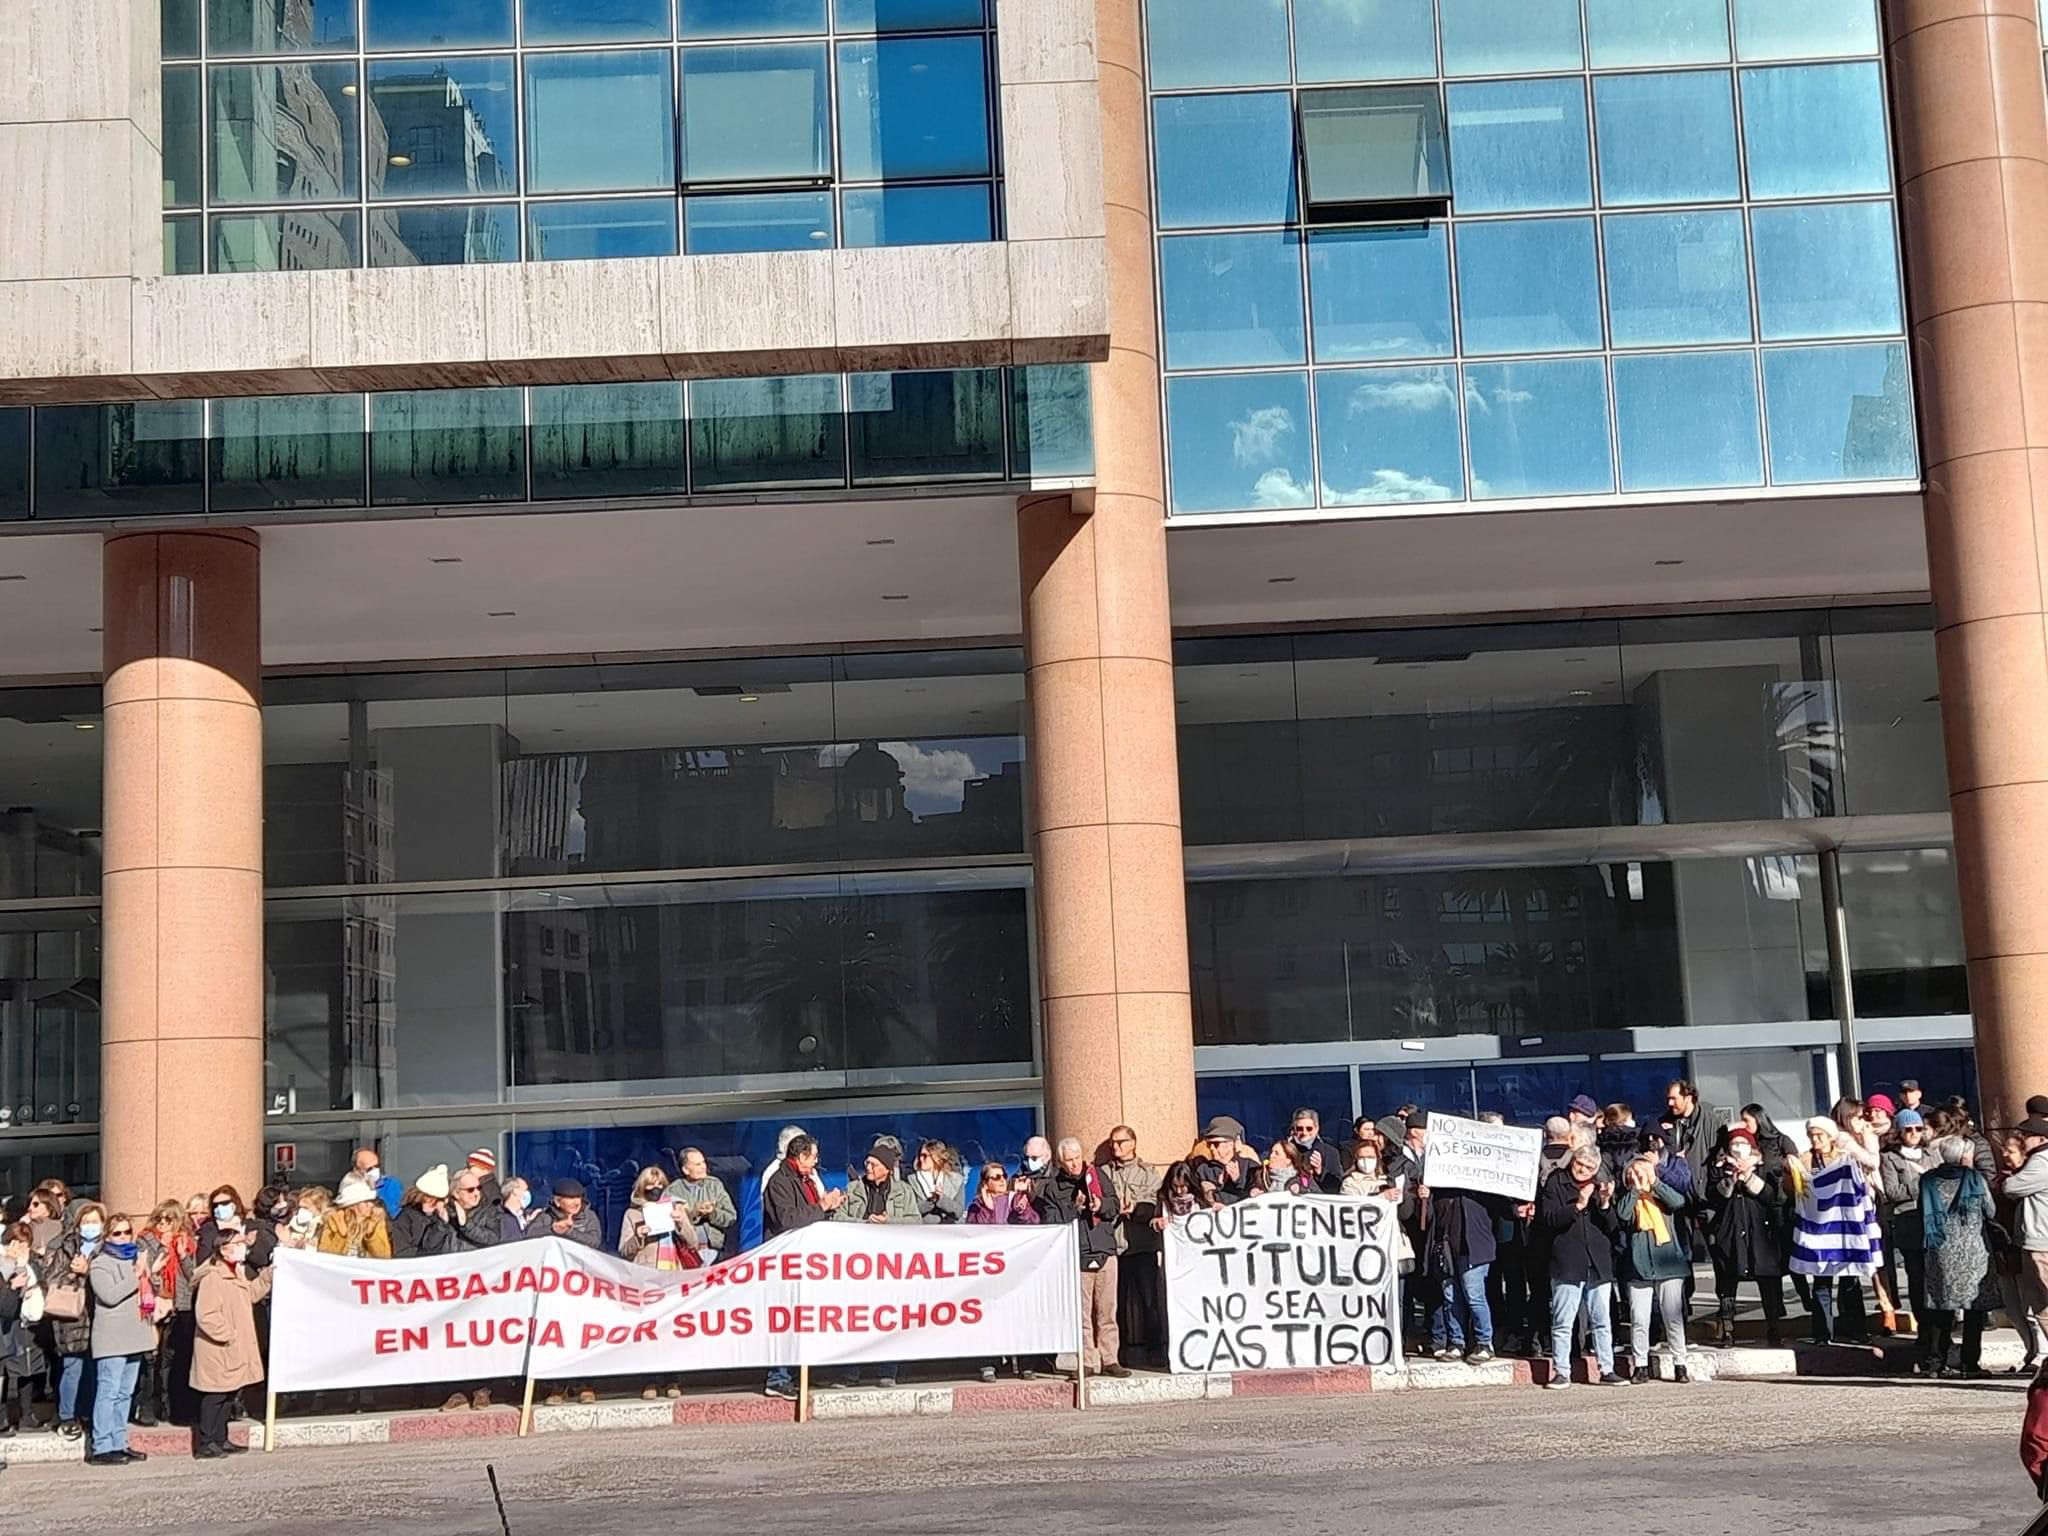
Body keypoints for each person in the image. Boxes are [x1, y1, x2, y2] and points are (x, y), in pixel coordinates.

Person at [830, 1142, 921, 1388]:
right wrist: (863, 1223)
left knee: (889, 1317)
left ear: (887, 1169)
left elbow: (917, 1222)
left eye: (873, 1164)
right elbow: (837, 1218)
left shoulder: (904, 1191)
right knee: (855, 1318)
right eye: (868, 1162)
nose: (867, 1167)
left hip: (891, 1265)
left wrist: (890, 1222)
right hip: (858, 1266)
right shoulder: (854, 1188)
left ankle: (887, 1371)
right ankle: (850, 1372)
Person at [1037, 1136, 1129, 1380]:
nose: (1075, 1164)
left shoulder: (1096, 1175)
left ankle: (1110, 1358)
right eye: (1069, 1160)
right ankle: (1087, 1361)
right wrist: (1073, 1209)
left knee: (1107, 1311)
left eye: (1077, 1158)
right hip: (1076, 1256)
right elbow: (1052, 1222)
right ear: (1060, 1162)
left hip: (1104, 1250)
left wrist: (1099, 1205)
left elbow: (1114, 1206)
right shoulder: (1053, 1187)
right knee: (1082, 1314)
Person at [761, 1134, 843, 1400]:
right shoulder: (779, 1182)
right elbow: (788, 1218)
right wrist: (821, 1205)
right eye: (814, 1157)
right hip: (785, 1260)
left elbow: (810, 1214)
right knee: (783, 1317)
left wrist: (828, 1207)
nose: (817, 1162)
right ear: (801, 1156)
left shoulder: (805, 1180)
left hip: (805, 1259)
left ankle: (800, 1372)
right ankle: (778, 1376)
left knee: (801, 1316)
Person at [1791, 1116, 1884, 1344]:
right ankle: (1822, 1334)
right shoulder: (1805, 1160)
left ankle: (1857, 1330)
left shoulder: (1845, 1160)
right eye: (1812, 1135)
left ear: (1831, 1136)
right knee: (1821, 1285)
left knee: (1850, 1282)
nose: (1815, 1140)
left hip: (1844, 1231)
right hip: (1819, 1232)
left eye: (1820, 1135)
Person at [1539, 1146, 1622, 1387]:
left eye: (1589, 1168)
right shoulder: (1556, 1182)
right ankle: (1562, 1370)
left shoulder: (1600, 1185)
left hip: (1597, 1262)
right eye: (1579, 1165)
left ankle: (1607, 1368)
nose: (1583, 1171)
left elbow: (1612, 1227)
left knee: (1602, 1320)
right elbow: (1549, 1219)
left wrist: (1605, 1204)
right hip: (1567, 1261)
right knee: (1563, 1321)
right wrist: (1579, 1204)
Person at [1917, 1132, 1996, 1378]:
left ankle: (1935, 1363)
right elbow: (1990, 1211)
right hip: (1973, 1252)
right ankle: (1969, 1364)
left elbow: (1922, 1210)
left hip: (1939, 1250)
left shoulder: (1928, 1180)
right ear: (1964, 1155)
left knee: (1941, 1309)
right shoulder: (1975, 1179)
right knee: (1973, 1310)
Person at [1704, 1127, 1790, 1346]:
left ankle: (1774, 1327)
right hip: (1730, 1233)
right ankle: (1727, 1329)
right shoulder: (1719, 1168)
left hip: (1761, 1233)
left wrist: (1749, 1177)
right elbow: (1713, 1197)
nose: (1738, 1148)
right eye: (1734, 1144)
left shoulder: (1764, 1169)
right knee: (1727, 1281)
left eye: (1743, 1143)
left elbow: (1773, 1196)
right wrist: (1731, 1180)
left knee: (1768, 1282)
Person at [191, 1229, 270, 1459]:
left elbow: (251, 1295)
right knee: (215, 1396)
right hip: (218, 1349)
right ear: (224, 1249)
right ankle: (206, 1442)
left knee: (228, 1395)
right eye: (238, 1243)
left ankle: (220, 1438)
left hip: (232, 1347)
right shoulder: (213, 1278)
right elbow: (206, 1315)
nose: (244, 1246)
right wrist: (229, 1334)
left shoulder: (237, 1273)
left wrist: (268, 1277)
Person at [86, 1214, 155, 1466]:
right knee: (109, 1390)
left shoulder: (135, 1259)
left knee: (125, 1393)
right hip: (112, 1337)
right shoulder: (100, 1263)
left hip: (135, 1333)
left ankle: (119, 1442)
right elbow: (109, 1295)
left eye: (127, 1232)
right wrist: (136, 1274)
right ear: (106, 1235)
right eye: (117, 1233)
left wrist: (149, 1272)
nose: (123, 1237)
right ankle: (101, 1445)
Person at [1617, 1155, 1691, 1383]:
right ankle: (1640, 1365)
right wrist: (1636, 1190)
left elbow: (1678, 1202)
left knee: (1673, 1316)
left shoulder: (1662, 1195)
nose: (1639, 1176)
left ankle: (1680, 1363)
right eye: (1634, 1173)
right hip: (1638, 1268)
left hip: (1668, 1264)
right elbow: (1623, 1215)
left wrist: (1654, 1183)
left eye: (1643, 1172)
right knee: (1639, 1318)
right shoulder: (1627, 1198)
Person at [966, 1162, 1040, 1382]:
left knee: (1020, 1314)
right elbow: (973, 1233)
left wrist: (1022, 1208)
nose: (1000, 1180)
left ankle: (1026, 1363)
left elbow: (1033, 1222)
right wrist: (987, 1210)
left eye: (1003, 1176)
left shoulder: (1015, 1199)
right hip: (989, 1270)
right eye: (995, 1177)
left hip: (1015, 1268)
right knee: (989, 1315)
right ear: (985, 1183)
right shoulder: (977, 1205)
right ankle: (989, 1363)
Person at [41, 1198, 105, 1439]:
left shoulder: (108, 1247)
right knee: (72, 1366)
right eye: (86, 1222)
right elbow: (51, 1279)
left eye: (95, 1222)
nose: (91, 1226)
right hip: (72, 1317)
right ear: (78, 1225)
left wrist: (89, 1271)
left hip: (100, 1315)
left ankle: (89, 1413)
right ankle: (67, 1416)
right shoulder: (67, 1246)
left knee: (94, 1368)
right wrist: (74, 1273)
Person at [1423, 1179, 1504, 1365]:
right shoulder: (1440, 1188)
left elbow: (1502, 1205)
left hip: (1474, 1249)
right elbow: (1429, 1219)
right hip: (1447, 1250)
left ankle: (1484, 1343)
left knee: (1474, 1296)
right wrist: (1425, 1199)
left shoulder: (1482, 1185)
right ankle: (1456, 1343)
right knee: (1450, 1298)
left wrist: (1517, 1209)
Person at [1103, 1126, 1164, 1368]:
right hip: (1115, 1246)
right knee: (1115, 1303)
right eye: (1112, 1143)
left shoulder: (1147, 1172)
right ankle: (1119, 1353)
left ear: (1133, 1143)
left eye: (1120, 1142)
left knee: (1149, 1301)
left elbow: (1154, 1202)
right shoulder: (1104, 1172)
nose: (1115, 1147)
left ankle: (1156, 1348)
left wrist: (1136, 1209)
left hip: (1142, 1245)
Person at [1881, 1108, 1933, 1334]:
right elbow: (1892, 1191)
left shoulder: (1931, 1154)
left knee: (1935, 1276)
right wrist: (1921, 1182)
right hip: (1908, 1222)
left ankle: (1940, 1324)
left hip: (1933, 1221)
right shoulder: (1890, 1158)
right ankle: (1923, 1324)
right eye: (1908, 1129)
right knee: (1916, 1276)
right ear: (1899, 1131)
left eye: (1918, 1128)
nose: (1914, 1133)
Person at [2004, 1115, 2048, 1347]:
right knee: (2038, 1302)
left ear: (2041, 1139)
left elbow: (2012, 1187)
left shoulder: (2041, 1161)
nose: (2024, 1139)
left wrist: (2011, 1179)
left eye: (2028, 1136)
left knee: (2041, 1301)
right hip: (2039, 1238)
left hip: (2041, 1240)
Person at [665, 1148, 736, 1265]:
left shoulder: (715, 1185)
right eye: (698, 1164)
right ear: (686, 1170)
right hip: (685, 1255)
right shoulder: (673, 1191)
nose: (703, 1166)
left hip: (715, 1254)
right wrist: (694, 1213)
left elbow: (731, 1217)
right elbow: (668, 1224)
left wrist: (712, 1213)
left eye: (703, 1162)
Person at [318, 1173, 393, 1258]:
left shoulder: (375, 1221)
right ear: (353, 1205)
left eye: (371, 1201)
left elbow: (384, 1257)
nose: (371, 1205)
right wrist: (341, 1235)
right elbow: (325, 1256)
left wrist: (372, 1234)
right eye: (366, 1202)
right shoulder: (333, 1221)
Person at [391, 1167, 460, 1259]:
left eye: (436, 1199)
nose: (430, 1202)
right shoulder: (405, 1218)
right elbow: (402, 1252)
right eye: (427, 1196)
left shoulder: (451, 1219)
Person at [1190, 1118, 1260, 1205]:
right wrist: (1218, 1186)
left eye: (1216, 1144)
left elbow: (1257, 1195)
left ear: (1231, 1144)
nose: (1211, 1148)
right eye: (1209, 1144)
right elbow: (1197, 1198)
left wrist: (1239, 1181)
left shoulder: (1251, 1167)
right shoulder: (1203, 1170)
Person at [1664, 1081, 1714, 1188]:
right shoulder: (1663, 1123)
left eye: (1674, 1099)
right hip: (1677, 1191)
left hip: (1704, 1192)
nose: (1670, 1103)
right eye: (1668, 1099)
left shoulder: (1711, 1122)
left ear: (1688, 1098)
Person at [1286, 1109, 1348, 1194]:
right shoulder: (1285, 1150)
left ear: (1316, 1129)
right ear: (1294, 1129)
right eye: (1300, 1129)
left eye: (1309, 1129)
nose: (1304, 1132)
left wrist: (1320, 1171)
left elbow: (1336, 1187)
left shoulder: (1330, 1152)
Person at [910, 1141, 967, 1225]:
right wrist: (931, 1201)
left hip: (950, 1231)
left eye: (925, 1156)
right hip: (924, 1231)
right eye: (920, 1155)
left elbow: (959, 1212)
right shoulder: (912, 1181)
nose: (921, 1159)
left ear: (936, 1158)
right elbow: (910, 1210)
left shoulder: (956, 1181)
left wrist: (941, 1199)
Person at [350, 1148, 404, 1219]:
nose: (375, 1170)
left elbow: (392, 1213)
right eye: (369, 1169)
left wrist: (373, 1190)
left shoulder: (391, 1184)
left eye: (377, 1166)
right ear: (356, 1170)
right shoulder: (350, 1188)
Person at [499, 1177, 541, 1243]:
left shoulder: (525, 1215)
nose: (528, 1193)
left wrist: (530, 1223)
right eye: (525, 1189)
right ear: (515, 1191)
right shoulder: (501, 1217)